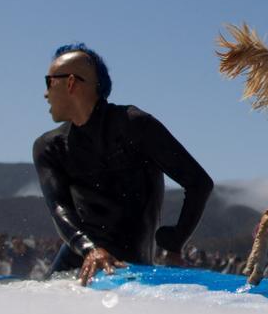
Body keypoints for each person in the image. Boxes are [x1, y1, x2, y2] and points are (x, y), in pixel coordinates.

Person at [33, 43, 214, 286]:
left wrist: (175, 243)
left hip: (130, 268)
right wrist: (90, 249)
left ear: (71, 83)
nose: (45, 93)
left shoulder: (135, 126)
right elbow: (60, 209)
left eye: (49, 82)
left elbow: (199, 183)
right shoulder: (50, 147)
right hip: (81, 261)